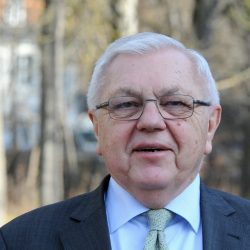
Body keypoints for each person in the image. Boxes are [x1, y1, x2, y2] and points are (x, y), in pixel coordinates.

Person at [1, 32, 250, 250]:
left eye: (175, 103)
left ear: (210, 125)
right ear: (97, 127)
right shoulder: (17, 241)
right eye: (126, 105)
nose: (151, 121)